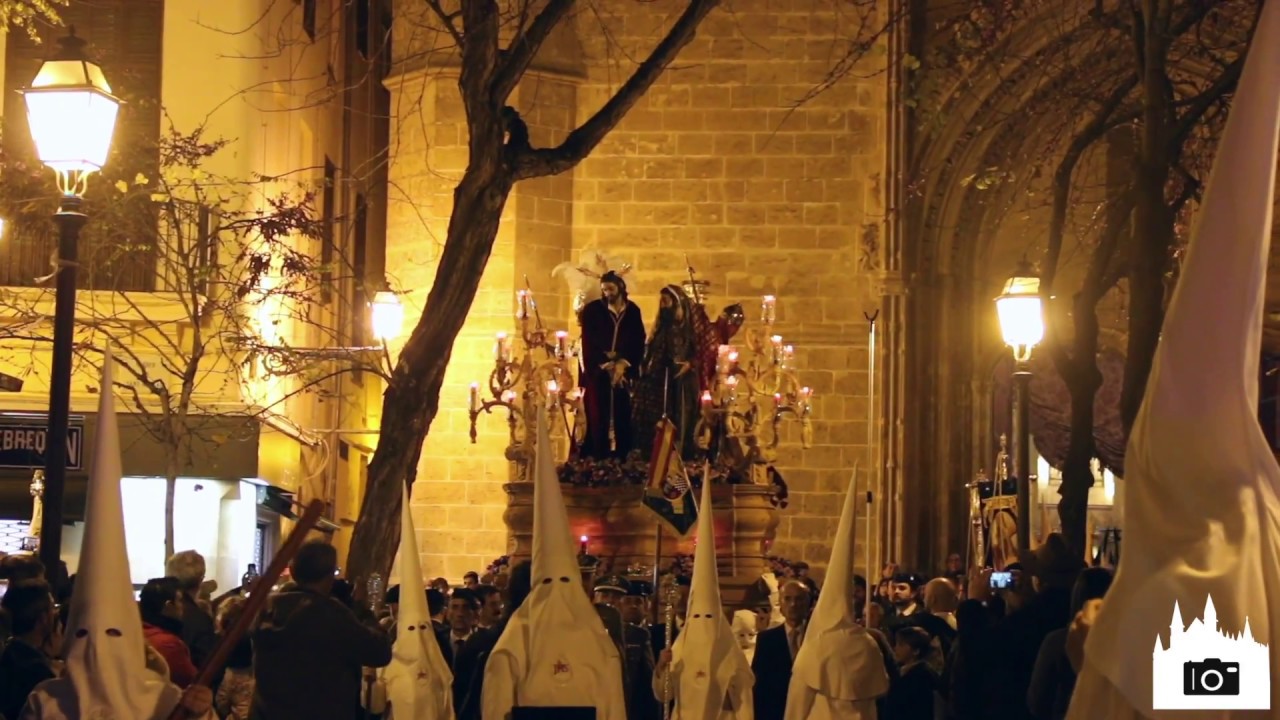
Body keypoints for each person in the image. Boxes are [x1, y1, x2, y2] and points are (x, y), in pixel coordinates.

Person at [250, 540, 392, 719]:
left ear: (293, 572)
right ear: (329, 577)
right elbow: (379, 652)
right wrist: (362, 611)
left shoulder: (267, 608)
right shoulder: (330, 613)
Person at [579, 270, 646, 459]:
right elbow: (588, 341)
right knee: (598, 417)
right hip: (599, 373)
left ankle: (622, 460)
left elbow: (638, 340)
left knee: (622, 416)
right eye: (604, 290)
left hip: (623, 374)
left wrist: (624, 363)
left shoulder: (633, 311)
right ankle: (598, 460)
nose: (607, 293)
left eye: (610, 288)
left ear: (621, 288)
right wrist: (605, 364)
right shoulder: (593, 310)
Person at [633, 285, 701, 461]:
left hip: (677, 385)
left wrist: (689, 364)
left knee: (675, 425)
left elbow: (697, 353)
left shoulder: (686, 330)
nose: (663, 306)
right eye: (661, 301)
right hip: (654, 383)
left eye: (666, 301)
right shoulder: (660, 330)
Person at [0, 580, 60, 720]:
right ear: (43, 618)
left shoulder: (9, 653)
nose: (56, 613)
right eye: (52, 608)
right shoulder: (37, 671)